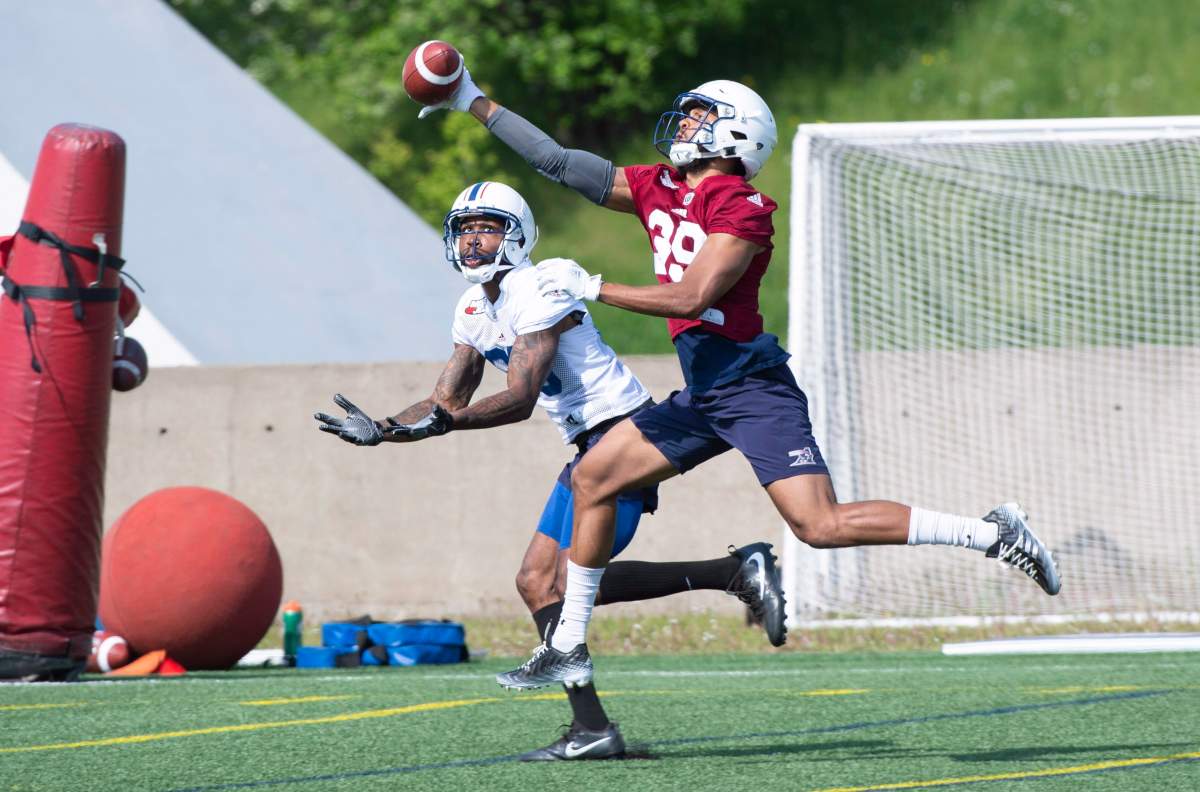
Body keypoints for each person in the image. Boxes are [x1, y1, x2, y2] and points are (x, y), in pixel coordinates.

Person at [417, 64, 1063, 690]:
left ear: (734, 134)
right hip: (703, 394)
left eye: (701, 115)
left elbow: (694, 297)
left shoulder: (742, 205)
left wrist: (594, 285)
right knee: (592, 477)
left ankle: (993, 532)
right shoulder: (661, 188)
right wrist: (470, 97)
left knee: (820, 526)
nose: (685, 122)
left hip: (752, 387)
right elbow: (557, 161)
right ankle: (567, 647)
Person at [314, 181, 787, 760]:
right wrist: (386, 428)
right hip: (586, 448)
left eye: (485, 227)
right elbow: (449, 395)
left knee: (565, 582)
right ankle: (596, 724)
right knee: (536, 583)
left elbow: (517, 398)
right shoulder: (471, 306)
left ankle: (731, 575)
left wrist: (442, 424)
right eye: (463, 229)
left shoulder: (537, 289)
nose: (471, 240)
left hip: (625, 437)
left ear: (516, 235)